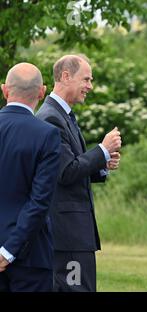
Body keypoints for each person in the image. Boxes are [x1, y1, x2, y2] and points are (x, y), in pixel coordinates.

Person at [36, 54, 122, 292]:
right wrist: (103, 149)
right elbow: (65, 172)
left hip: (72, 233)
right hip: (68, 234)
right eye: (86, 79)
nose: (90, 87)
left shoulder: (63, 115)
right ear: (66, 76)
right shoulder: (51, 118)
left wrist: (102, 165)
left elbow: (71, 165)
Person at [0, 63, 61, 291]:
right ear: (42, 92)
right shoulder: (47, 135)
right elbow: (39, 202)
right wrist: (9, 251)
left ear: (5, 90)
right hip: (31, 255)